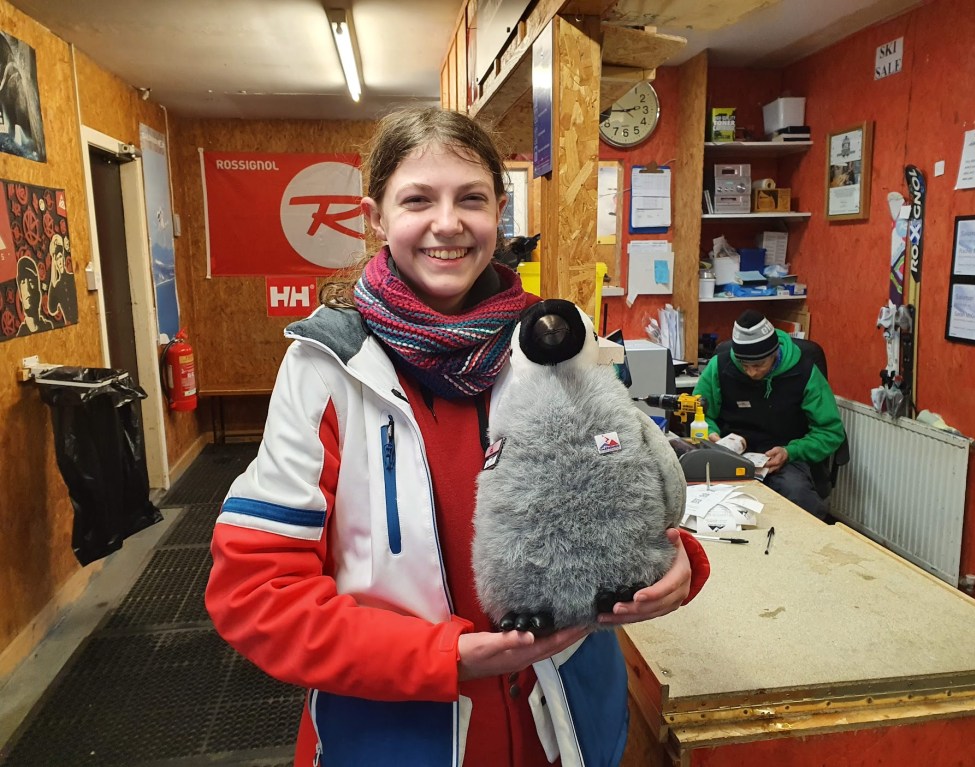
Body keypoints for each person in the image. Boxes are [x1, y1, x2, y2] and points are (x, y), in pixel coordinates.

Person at [205, 106, 710, 767]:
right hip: (395, 736)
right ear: (376, 216)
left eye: (470, 198)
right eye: (418, 199)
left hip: (562, 727)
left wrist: (677, 562)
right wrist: (441, 658)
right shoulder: (327, 367)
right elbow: (254, 593)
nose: (447, 223)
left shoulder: (556, 340)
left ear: (498, 211)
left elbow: (633, 479)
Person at [693, 309, 846, 519]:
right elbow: (699, 413)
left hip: (785, 458)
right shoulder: (719, 367)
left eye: (758, 365)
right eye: (744, 365)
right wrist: (712, 436)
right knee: (703, 500)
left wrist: (791, 451)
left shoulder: (805, 372)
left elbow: (830, 432)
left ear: (774, 353)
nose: (751, 372)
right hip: (730, 456)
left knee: (799, 499)